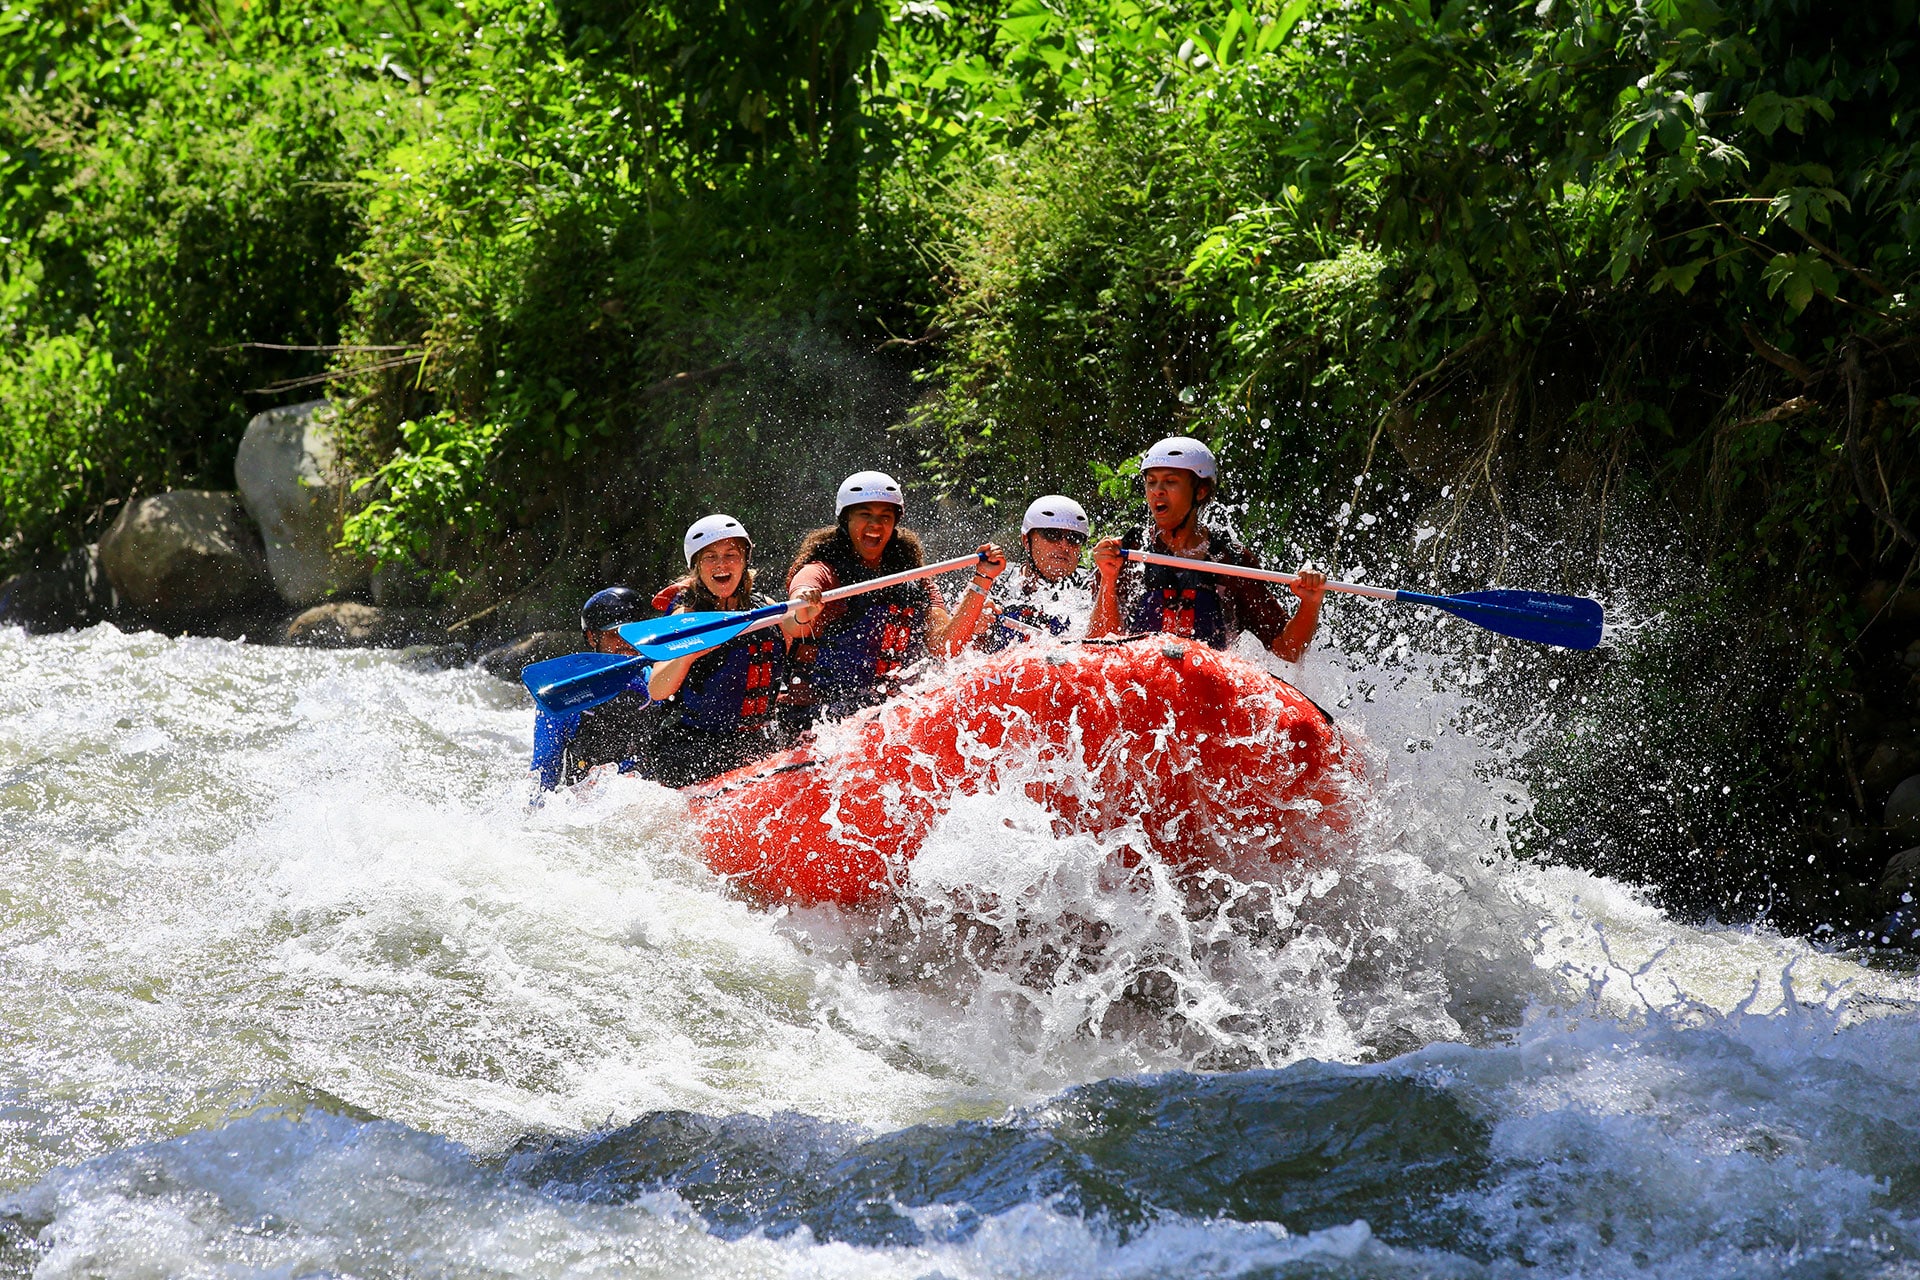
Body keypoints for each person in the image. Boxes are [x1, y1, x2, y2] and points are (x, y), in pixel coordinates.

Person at [784, 470, 1006, 725]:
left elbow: (945, 646)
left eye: (885, 517)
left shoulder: (915, 579)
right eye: (865, 514)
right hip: (822, 717)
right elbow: (791, 620)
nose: (875, 525)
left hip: (885, 714)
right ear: (846, 520)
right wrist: (804, 610)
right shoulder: (822, 570)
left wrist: (983, 579)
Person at [1088, 436, 1326, 661]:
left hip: (1205, 692)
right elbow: (1099, 644)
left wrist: (1310, 603)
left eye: (1170, 481)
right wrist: (1108, 579)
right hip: (1137, 685)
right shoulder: (1127, 552)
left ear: (1200, 492)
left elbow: (1288, 649)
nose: (1157, 491)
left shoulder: (1231, 561)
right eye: (1151, 482)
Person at [640, 514, 823, 787]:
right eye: (710, 557)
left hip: (755, 742)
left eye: (731, 554)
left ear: (744, 560)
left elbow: (795, 627)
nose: (722, 564)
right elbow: (657, 689)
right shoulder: (686, 616)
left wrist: (807, 609)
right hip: (695, 750)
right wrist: (689, 653)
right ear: (698, 567)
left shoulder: (765, 607)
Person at [530, 586, 658, 790]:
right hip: (587, 808)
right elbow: (544, 773)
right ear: (592, 637)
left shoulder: (660, 685)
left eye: (632, 633)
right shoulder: (565, 697)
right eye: (614, 634)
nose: (625, 643)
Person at [976, 494, 1094, 652]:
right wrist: (975, 621)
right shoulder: (996, 581)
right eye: (1052, 534)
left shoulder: (1090, 586)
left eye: (1075, 538)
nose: (1064, 546)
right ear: (1026, 541)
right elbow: (958, 647)